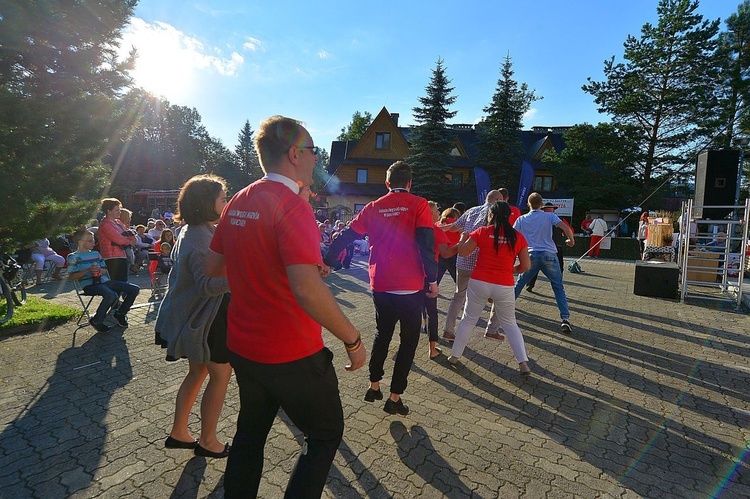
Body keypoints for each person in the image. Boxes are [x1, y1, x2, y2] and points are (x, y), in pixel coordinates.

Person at [205, 116, 365, 498]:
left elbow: (216, 268)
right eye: (313, 151)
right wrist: (353, 339)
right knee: (325, 435)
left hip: (244, 346)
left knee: (250, 433)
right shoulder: (293, 207)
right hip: (291, 351)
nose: (316, 158)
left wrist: (290, 267)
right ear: (294, 154)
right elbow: (308, 292)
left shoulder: (240, 199)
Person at [326, 160, 438, 416]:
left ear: (387, 183)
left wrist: (329, 259)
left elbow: (346, 235)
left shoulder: (372, 207)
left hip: (381, 284)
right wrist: (432, 279)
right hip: (410, 287)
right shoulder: (419, 204)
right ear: (409, 183)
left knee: (382, 334)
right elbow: (426, 244)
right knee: (408, 342)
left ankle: (374, 384)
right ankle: (395, 397)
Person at [155, 174, 233, 459]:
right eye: (223, 199)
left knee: (198, 372)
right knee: (220, 375)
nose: (226, 203)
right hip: (204, 320)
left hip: (195, 318)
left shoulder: (196, 229)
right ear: (206, 203)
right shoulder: (200, 235)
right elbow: (208, 286)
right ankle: (209, 441)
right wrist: (243, 276)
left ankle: (179, 432)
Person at [448, 201, 532, 375]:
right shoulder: (517, 237)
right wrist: (512, 269)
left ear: (490, 215)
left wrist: (464, 237)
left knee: (469, 319)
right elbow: (526, 266)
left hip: (479, 282)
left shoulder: (482, 232)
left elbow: (463, 252)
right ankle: (523, 362)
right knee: (510, 323)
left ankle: (454, 356)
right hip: (504, 284)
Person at [441, 190, 504, 342]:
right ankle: (492, 329)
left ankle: (448, 330)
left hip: (463, 261)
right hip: (482, 263)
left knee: (458, 296)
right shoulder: (495, 214)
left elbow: (454, 227)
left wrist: (438, 229)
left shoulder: (471, 210)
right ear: (497, 200)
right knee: (500, 295)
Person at [513, 193, 576, 333]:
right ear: (542, 205)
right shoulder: (550, 216)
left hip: (530, 254)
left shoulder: (521, 219)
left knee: (520, 283)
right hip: (549, 254)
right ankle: (565, 318)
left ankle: (504, 310)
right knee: (558, 286)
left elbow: (513, 236)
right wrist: (571, 241)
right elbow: (566, 229)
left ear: (528, 204)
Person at [67, 229, 140, 331]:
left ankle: (120, 313)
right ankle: (97, 320)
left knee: (134, 289)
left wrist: (101, 270)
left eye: (93, 240)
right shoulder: (73, 257)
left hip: (104, 281)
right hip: (89, 285)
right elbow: (72, 277)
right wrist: (88, 270)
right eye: (90, 241)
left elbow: (105, 270)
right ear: (80, 242)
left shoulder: (96, 253)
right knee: (112, 295)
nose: (94, 243)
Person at [423, 201, 457, 358]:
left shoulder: (412, 228)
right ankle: (432, 349)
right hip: (429, 276)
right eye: (436, 211)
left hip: (411, 276)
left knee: (407, 311)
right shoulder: (435, 230)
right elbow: (446, 253)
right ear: (430, 213)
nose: (438, 214)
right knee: (432, 312)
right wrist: (461, 244)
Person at [525, 202, 569, 292]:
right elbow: (567, 229)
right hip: (550, 247)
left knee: (535, 267)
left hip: (548, 247)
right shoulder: (557, 219)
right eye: (548, 209)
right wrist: (570, 239)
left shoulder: (542, 219)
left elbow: (567, 229)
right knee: (557, 269)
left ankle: (530, 284)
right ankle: (558, 287)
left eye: (550, 209)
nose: (549, 210)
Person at [97, 198, 137, 282]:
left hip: (122, 255)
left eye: (119, 210)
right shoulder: (105, 225)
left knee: (123, 281)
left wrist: (129, 238)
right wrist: (129, 240)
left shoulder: (118, 222)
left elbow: (130, 234)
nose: (119, 212)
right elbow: (119, 239)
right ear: (109, 211)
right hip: (111, 257)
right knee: (116, 282)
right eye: (116, 210)